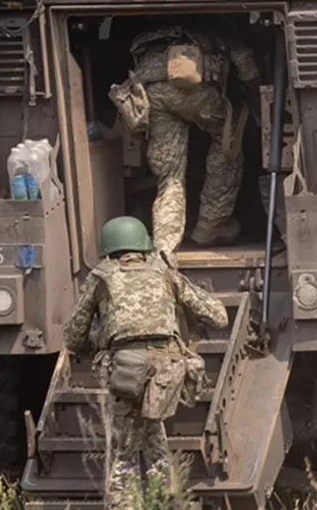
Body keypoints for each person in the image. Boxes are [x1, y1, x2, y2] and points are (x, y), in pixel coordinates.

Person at [64, 216, 230, 510]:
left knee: (123, 452)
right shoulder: (165, 273)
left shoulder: (101, 277)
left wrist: (99, 344)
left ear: (109, 251)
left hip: (127, 371)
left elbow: (74, 337)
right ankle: (168, 500)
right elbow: (218, 316)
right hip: (168, 373)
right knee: (153, 435)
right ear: (144, 246)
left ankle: (122, 504)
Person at [108, 26, 259, 254]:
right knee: (229, 145)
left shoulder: (148, 41)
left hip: (153, 96)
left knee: (170, 176)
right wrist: (254, 94)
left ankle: (165, 247)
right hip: (196, 95)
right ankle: (211, 225)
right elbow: (246, 68)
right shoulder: (218, 37)